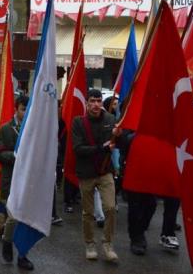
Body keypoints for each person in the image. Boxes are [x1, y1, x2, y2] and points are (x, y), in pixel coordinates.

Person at [71, 89, 123, 262]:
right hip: (86, 173)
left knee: (110, 208)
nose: (96, 105)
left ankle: (108, 244)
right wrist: (102, 148)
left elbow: (118, 144)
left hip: (105, 172)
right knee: (88, 213)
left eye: (99, 101)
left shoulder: (110, 119)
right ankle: (90, 244)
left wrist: (118, 135)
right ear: (86, 103)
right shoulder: (78, 122)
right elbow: (78, 149)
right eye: (92, 101)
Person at [0, 96, 34, 270]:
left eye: (28, 109)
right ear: (16, 109)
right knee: (14, 217)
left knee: (26, 219)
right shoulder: (5, 129)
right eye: (23, 109)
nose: (25, 113)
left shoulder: (34, 129)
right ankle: (7, 240)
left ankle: (23, 255)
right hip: (11, 179)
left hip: (30, 181)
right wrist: (15, 156)